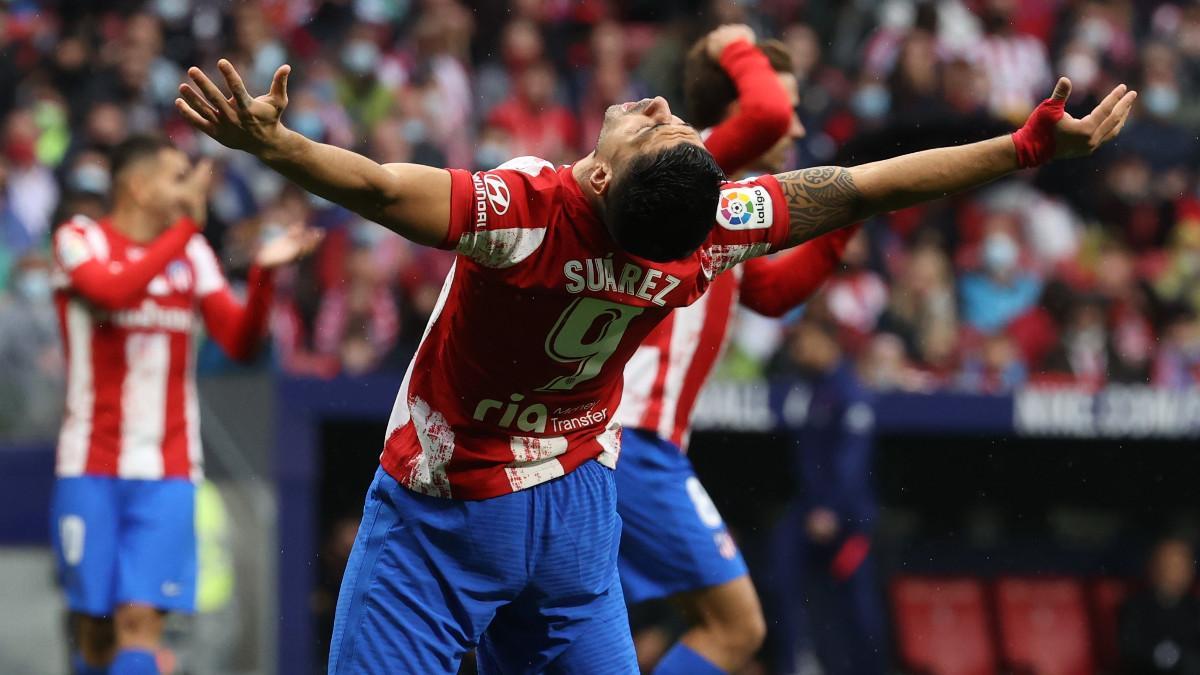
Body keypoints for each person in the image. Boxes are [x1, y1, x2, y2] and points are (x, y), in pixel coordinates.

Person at [175, 54, 1135, 673]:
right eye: (670, 126)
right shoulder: (711, 230)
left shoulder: (526, 212)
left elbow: (380, 186)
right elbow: (865, 188)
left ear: (600, 175)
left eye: (657, 130)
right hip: (576, 512)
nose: (664, 110)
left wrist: (274, 143)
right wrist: (1020, 147)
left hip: (445, 505)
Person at [615, 26, 858, 675]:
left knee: (564, 622)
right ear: (737, 103)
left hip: (623, 439)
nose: (798, 127)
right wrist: (731, 44)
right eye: (791, 106)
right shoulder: (695, 168)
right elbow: (768, 114)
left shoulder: (727, 206)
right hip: (633, 437)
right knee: (737, 624)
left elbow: (771, 292)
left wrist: (848, 214)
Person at [49, 134, 321, 675]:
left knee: (141, 625)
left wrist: (264, 274)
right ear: (137, 184)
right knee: (96, 631)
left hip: (169, 467)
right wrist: (184, 230)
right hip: (90, 463)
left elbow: (240, 343)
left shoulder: (190, 254)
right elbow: (111, 293)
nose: (191, 188)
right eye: (178, 176)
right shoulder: (79, 239)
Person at [768, 313, 886, 675]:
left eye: (805, 341)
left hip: (847, 517)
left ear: (828, 341)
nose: (799, 350)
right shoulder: (810, 387)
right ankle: (795, 665)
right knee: (780, 577)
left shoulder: (849, 390)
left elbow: (852, 460)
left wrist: (832, 509)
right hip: (810, 509)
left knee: (858, 608)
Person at [1119, 536, 1200, 675]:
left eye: (1181, 565)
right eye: (1169, 565)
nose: (1175, 572)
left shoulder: (1194, 608)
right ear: (1154, 567)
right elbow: (1132, 649)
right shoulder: (1136, 607)